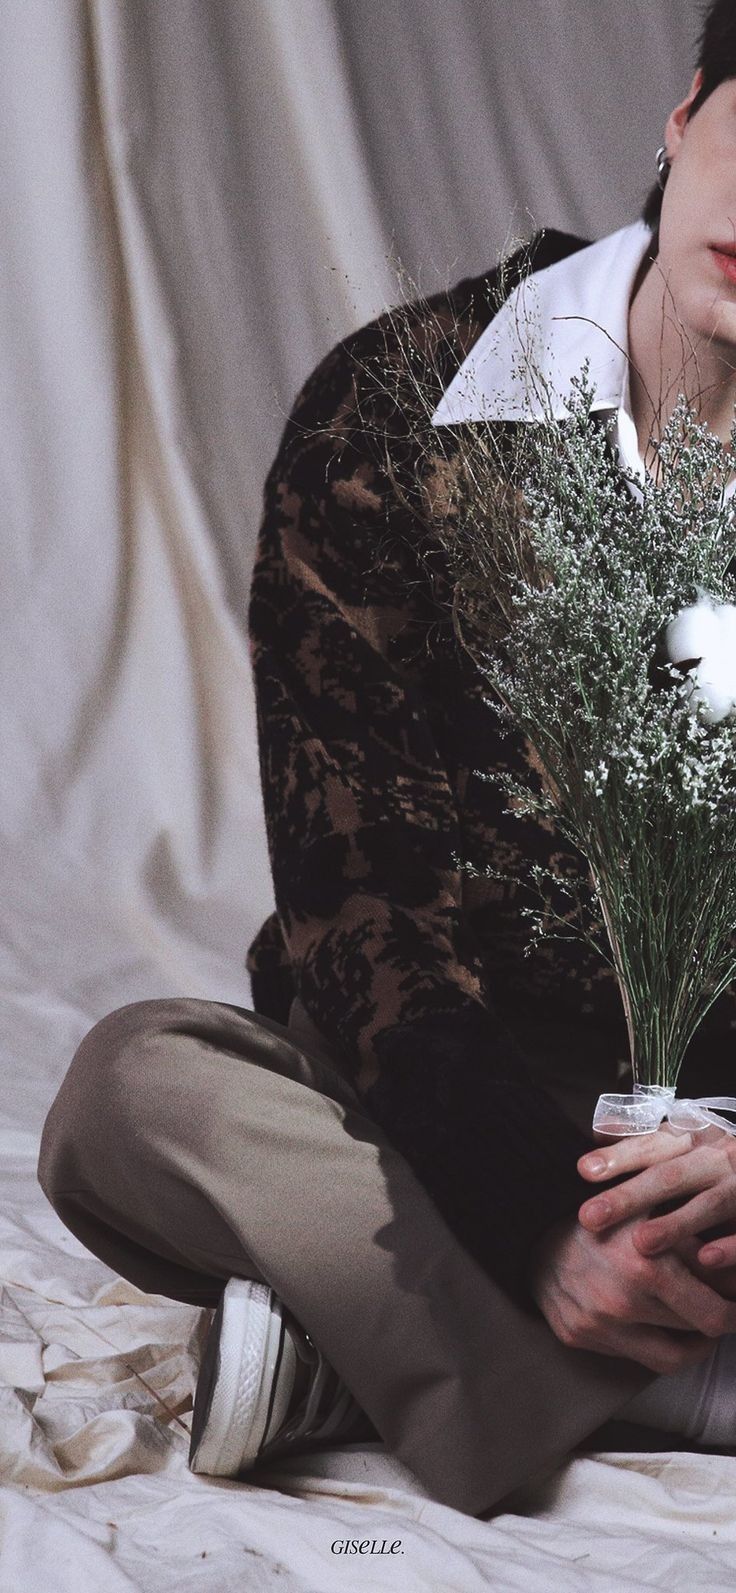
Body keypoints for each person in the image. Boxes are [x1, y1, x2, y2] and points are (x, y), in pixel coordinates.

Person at [36, 1, 736, 1518]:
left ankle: (402, 1352)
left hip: (727, 1153)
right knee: (129, 1094)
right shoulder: (400, 409)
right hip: (458, 1097)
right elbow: (360, 906)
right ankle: (669, 1369)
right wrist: (538, 1232)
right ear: (685, 116)